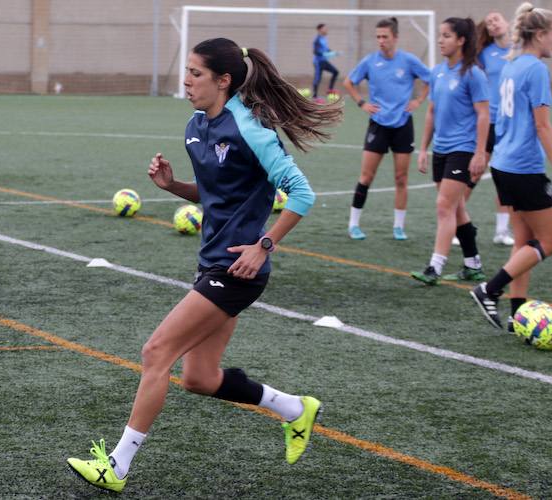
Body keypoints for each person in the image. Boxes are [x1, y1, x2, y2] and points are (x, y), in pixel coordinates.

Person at [66, 38, 342, 493]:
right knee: (198, 377)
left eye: (196, 73)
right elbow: (215, 192)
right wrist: (173, 185)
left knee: (156, 353)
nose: (187, 80)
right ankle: (295, 408)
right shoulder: (196, 126)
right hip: (211, 262)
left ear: (224, 80)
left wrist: (264, 245)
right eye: (188, 71)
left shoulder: (252, 129)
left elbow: (303, 194)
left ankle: (117, 466)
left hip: (237, 270)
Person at [471, 3, 552, 329]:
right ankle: (490, 288)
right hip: (524, 167)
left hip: (503, 165)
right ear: (539, 34)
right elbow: (543, 126)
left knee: (524, 242)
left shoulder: (511, 64)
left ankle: (518, 314)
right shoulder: (536, 69)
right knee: (551, 242)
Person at [412, 18, 490, 285]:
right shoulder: (437, 72)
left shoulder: (474, 74)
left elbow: (483, 115)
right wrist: (423, 148)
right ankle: (473, 264)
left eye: (446, 35)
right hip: (441, 149)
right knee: (456, 208)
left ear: (461, 40)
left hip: (463, 149)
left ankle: (435, 267)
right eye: (440, 35)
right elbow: (432, 112)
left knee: (444, 206)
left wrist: (480, 153)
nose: (440, 40)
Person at [343, 17, 430, 240]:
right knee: (366, 176)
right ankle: (353, 224)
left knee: (401, 178)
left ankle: (398, 227)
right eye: (378, 37)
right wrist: (362, 103)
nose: (381, 41)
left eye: (385, 37)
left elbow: (430, 79)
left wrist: (419, 100)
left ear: (395, 38)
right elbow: (348, 82)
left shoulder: (409, 61)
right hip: (378, 125)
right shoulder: (370, 61)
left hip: (403, 125)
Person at [476, 11, 516, 246]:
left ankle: (502, 231)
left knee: (504, 176)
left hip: (510, 122)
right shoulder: (484, 53)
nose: (492, 24)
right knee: (474, 172)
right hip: (488, 122)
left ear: (507, 23)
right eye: (489, 22)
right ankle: (455, 224)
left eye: (496, 19)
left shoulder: (518, 51)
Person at [312, 23, 340, 99]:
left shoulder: (324, 39)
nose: (326, 29)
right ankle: (314, 96)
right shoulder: (317, 40)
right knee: (318, 78)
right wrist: (324, 54)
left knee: (336, 72)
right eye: (325, 28)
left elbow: (326, 49)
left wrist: (334, 53)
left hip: (324, 61)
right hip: (318, 62)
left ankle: (330, 90)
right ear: (320, 30)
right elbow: (315, 51)